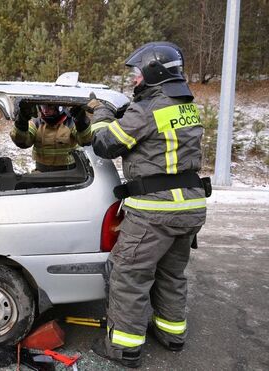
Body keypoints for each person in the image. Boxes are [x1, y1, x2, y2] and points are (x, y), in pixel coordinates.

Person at [87, 42, 208, 368]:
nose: (135, 79)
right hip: (190, 208)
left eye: (138, 73)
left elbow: (104, 143)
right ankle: (172, 335)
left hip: (156, 212)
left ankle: (124, 349)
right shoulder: (186, 108)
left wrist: (101, 113)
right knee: (171, 274)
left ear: (154, 73)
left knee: (129, 276)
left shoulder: (147, 110)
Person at [10, 103, 91, 171]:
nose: (45, 110)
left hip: (69, 173)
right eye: (43, 106)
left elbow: (85, 140)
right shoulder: (36, 123)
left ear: (60, 107)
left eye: (50, 107)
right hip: (42, 173)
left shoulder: (71, 123)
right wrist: (22, 121)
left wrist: (82, 122)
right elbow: (22, 142)